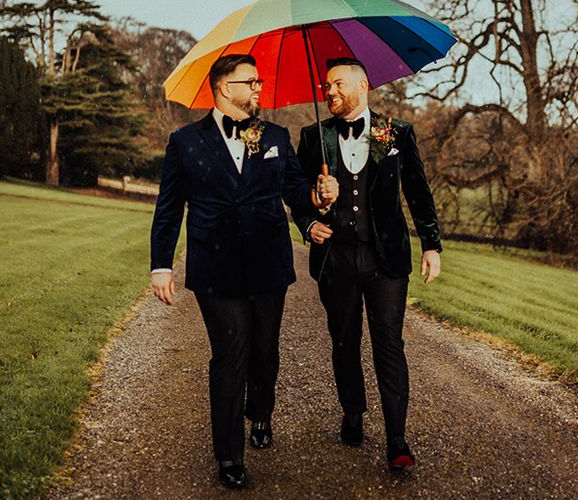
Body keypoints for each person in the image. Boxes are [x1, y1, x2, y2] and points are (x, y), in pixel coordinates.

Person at [149, 53, 338, 488]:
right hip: (215, 268)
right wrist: (161, 264)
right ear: (223, 87)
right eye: (250, 81)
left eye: (258, 81)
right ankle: (229, 456)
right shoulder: (185, 141)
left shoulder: (275, 135)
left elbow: (294, 188)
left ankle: (262, 412)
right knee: (229, 355)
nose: (258, 88)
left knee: (264, 351)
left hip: (268, 264)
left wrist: (318, 194)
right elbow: (169, 208)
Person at [294, 57, 442, 471]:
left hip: (386, 259)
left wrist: (431, 245)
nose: (330, 92)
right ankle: (353, 411)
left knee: (389, 345)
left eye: (338, 84)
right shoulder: (313, 137)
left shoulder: (396, 133)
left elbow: (417, 191)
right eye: (326, 86)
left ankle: (397, 438)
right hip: (335, 258)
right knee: (343, 340)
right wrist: (312, 213)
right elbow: (296, 195)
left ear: (363, 86)